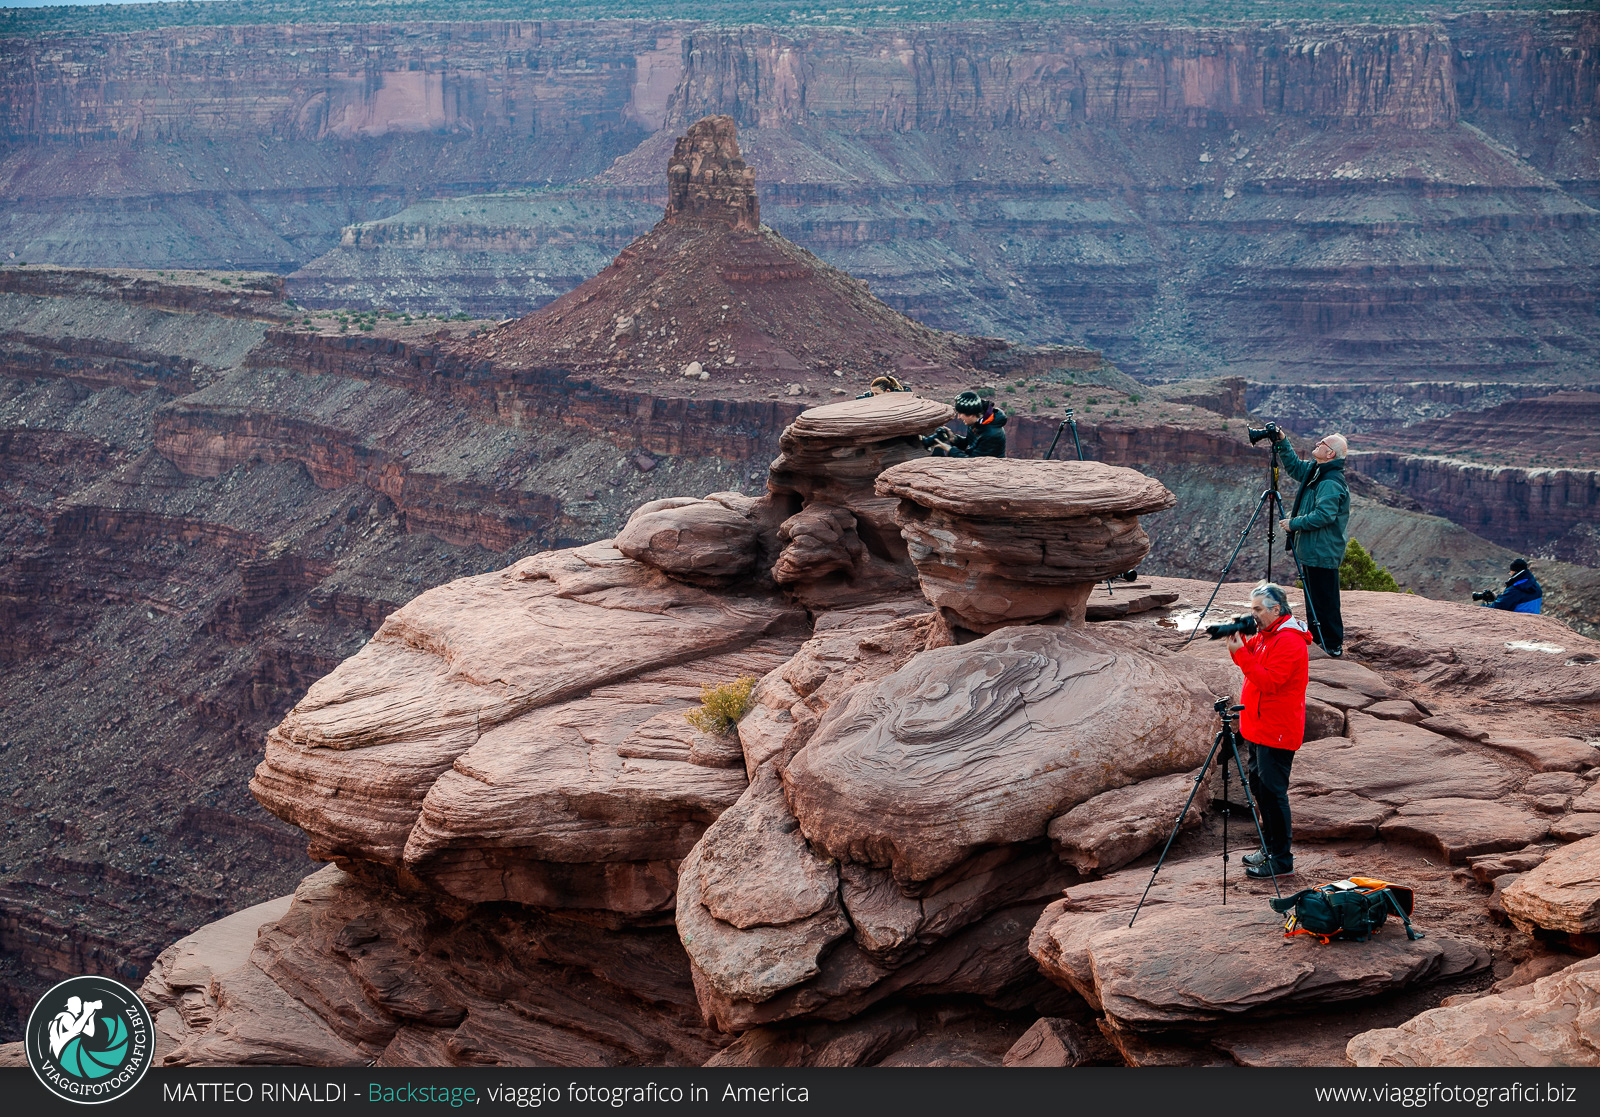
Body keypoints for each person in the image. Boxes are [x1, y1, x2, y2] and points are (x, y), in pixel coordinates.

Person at [1226, 582, 1312, 880]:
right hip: (1258, 727)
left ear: (1276, 609)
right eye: (1252, 609)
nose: (1254, 615)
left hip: (1277, 730)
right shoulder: (1266, 635)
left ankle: (1282, 860)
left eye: (1258, 610)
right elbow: (1248, 655)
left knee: (1274, 794)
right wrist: (1237, 639)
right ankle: (1270, 847)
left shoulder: (1289, 641)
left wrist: (1240, 655)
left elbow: (1270, 682)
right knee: (1260, 789)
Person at [1271, 429, 1350, 657]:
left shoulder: (1330, 481)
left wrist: (1293, 524)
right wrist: (1284, 442)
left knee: (1325, 600)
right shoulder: (1317, 472)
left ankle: (1332, 645)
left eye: (1322, 442)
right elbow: (1295, 468)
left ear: (1330, 454)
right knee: (1314, 599)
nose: (1317, 443)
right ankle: (1318, 640)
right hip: (1314, 549)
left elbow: (1325, 515)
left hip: (1323, 550)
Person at [923, 391, 1007, 457]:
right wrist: (954, 439)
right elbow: (969, 444)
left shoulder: (992, 434)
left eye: (960, 413)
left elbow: (974, 461)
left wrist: (950, 450)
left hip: (988, 471)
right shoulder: (978, 422)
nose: (958, 417)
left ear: (971, 414)